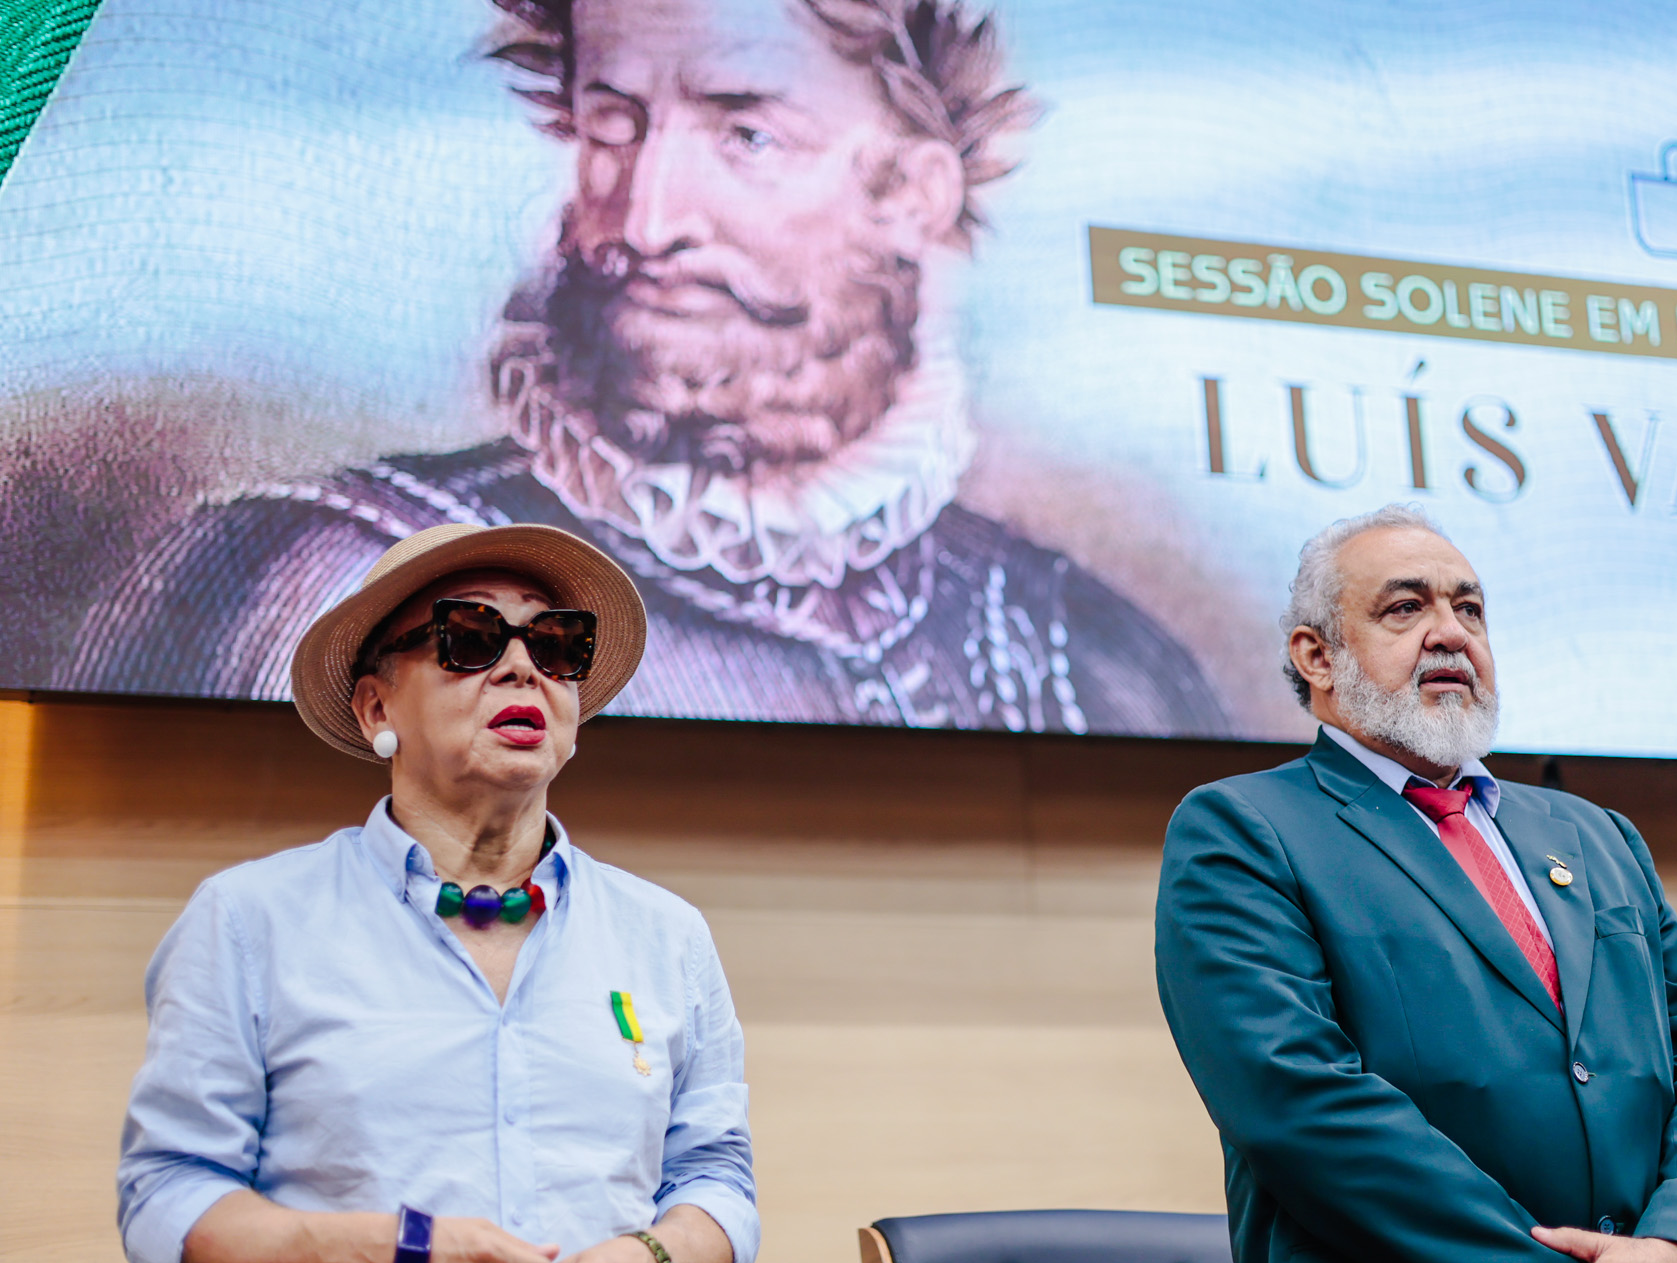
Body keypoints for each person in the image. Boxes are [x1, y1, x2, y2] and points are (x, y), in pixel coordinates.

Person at [55, 0, 1227, 738]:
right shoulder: (322, 578)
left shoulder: (1090, 656)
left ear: (909, 195)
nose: (645, 220)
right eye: (612, 125)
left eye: (746, 133)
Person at [116, 522, 757, 1263]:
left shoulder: (667, 935)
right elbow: (167, 1200)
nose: (523, 667)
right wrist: (399, 1257)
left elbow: (716, 1180)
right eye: (472, 636)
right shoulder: (249, 919)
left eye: (556, 643)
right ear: (376, 706)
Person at [1153, 505, 1677, 1263]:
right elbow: (1299, 1102)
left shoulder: (1597, 836)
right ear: (1317, 656)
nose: (1450, 633)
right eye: (1406, 608)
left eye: (1469, 608)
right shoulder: (1242, 831)